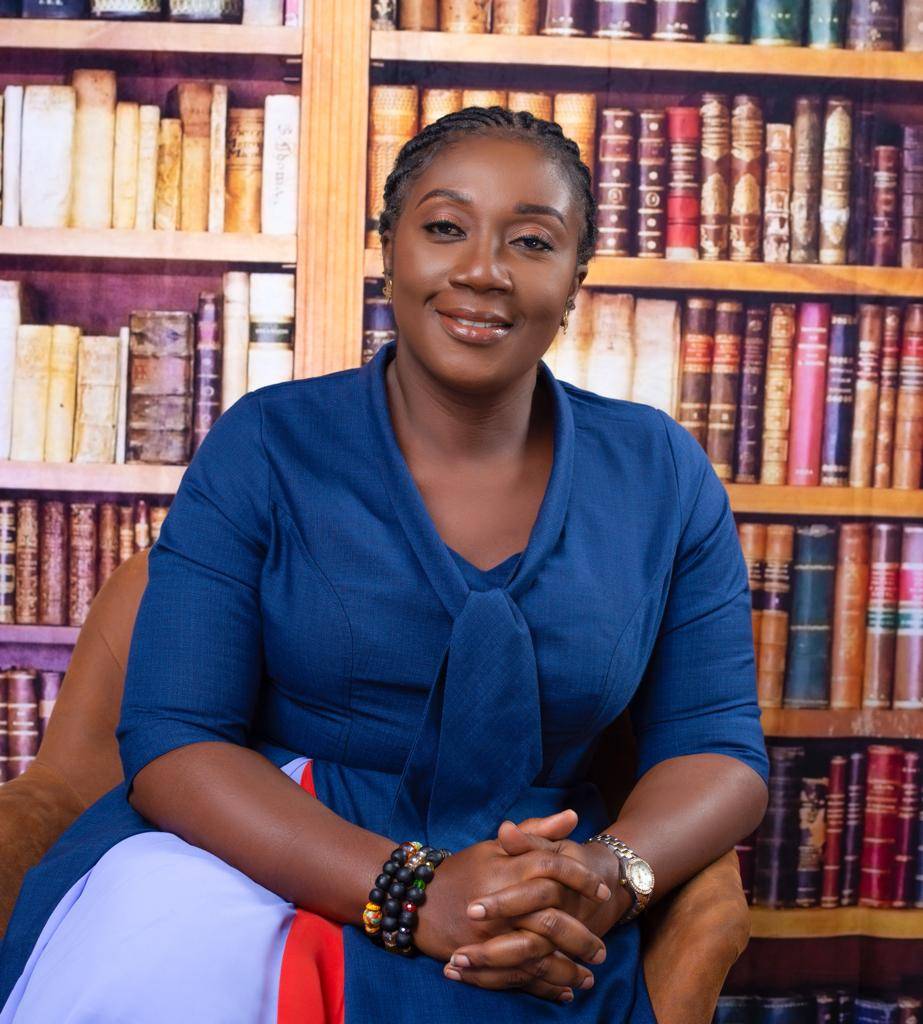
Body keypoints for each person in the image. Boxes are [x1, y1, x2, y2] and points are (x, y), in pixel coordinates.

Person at [0, 107, 769, 1023]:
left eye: (531, 241)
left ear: (575, 280)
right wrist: (412, 894)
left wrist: (606, 875)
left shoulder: (660, 472)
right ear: (388, 251)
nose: (482, 269)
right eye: (444, 228)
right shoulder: (267, 443)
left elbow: (716, 747)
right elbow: (175, 740)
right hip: (259, 863)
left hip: (538, 895)